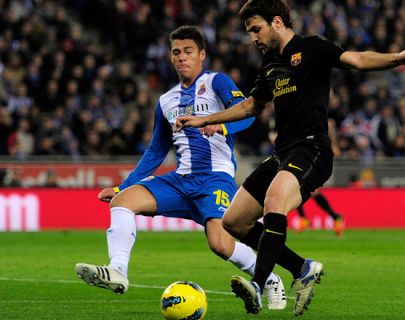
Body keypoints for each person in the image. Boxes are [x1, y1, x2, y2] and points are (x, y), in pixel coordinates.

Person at [176, 0, 405, 316]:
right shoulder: (269, 64)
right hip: (282, 153)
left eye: (256, 29)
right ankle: (302, 268)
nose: (252, 37)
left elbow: (359, 59)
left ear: (276, 21)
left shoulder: (312, 49)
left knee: (275, 201)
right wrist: (208, 118)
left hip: (313, 149)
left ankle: (257, 283)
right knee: (233, 221)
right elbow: (253, 105)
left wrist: (400, 57)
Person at [75, 25, 287, 310]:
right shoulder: (165, 101)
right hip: (179, 180)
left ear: (201, 54)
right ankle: (118, 271)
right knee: (122, 202)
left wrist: (223, 124)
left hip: (214, 179)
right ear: (171, 57)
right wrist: (121, 186)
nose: (182, 57)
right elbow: (156, 151)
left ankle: (270, 278)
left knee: (220, 244)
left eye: (188, 51)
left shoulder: (217, 82)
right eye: (176, 52)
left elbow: (248, 115)